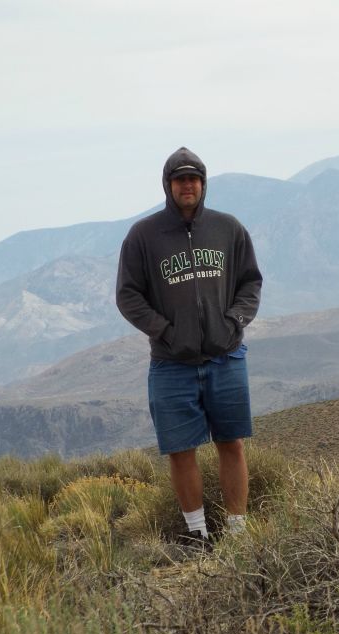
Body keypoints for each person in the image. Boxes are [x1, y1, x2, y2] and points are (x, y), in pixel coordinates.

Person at [116, 147, 262, 549]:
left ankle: (238, 533)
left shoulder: (228, 229)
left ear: (203, 183)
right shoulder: (143, 237)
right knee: (181, 450)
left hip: (225, 356)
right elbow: (128, 295)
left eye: (194, 178)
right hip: (171, 363)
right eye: (180, 179)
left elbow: (250, 281)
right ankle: (197, 533)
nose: (187, 185)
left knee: (231, 443)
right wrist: (163, 330)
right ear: (168, 185)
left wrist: (233, 320)